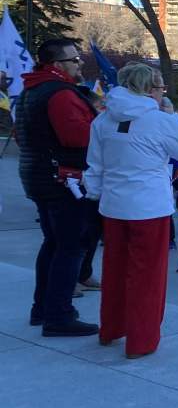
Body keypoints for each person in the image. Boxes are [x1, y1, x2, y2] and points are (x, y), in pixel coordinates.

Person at [84, 63, 178, 357]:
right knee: (147, 276)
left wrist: (96, 193)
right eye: (161, 89)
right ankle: (141, 340)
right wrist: (176, 121)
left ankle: (111, 328)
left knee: (115, 270)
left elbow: (94, 164)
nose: (163, 94)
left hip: (113, 204)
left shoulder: (103, 120)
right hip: (149, 206)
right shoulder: (160, 120)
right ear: (150, 89)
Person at [15, 38, 99, 336]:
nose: (80, 64)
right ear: (56, 65)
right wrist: (102, 126)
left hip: (40, 176)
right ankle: (58, 315)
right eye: (74, 59)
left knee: (53, 244)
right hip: (63, 179)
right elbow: (75, 136)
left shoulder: (32, 90)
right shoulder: (60, 93)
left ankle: (43, 309)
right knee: (70, 246)